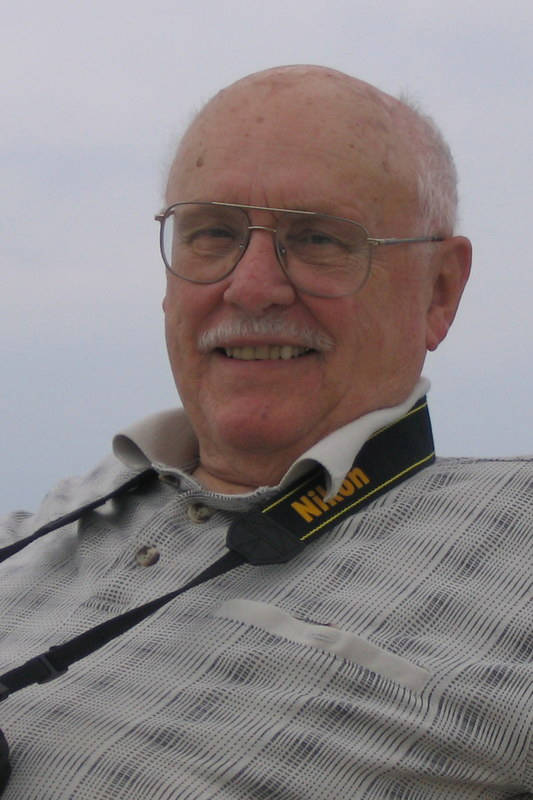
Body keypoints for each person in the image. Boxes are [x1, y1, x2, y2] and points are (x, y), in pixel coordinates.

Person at [0, 64, 531, 800]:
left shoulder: (516, 532)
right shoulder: (46, 524)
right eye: (213, 234)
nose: (250, 287)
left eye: (319, 239)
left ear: (438, 291)